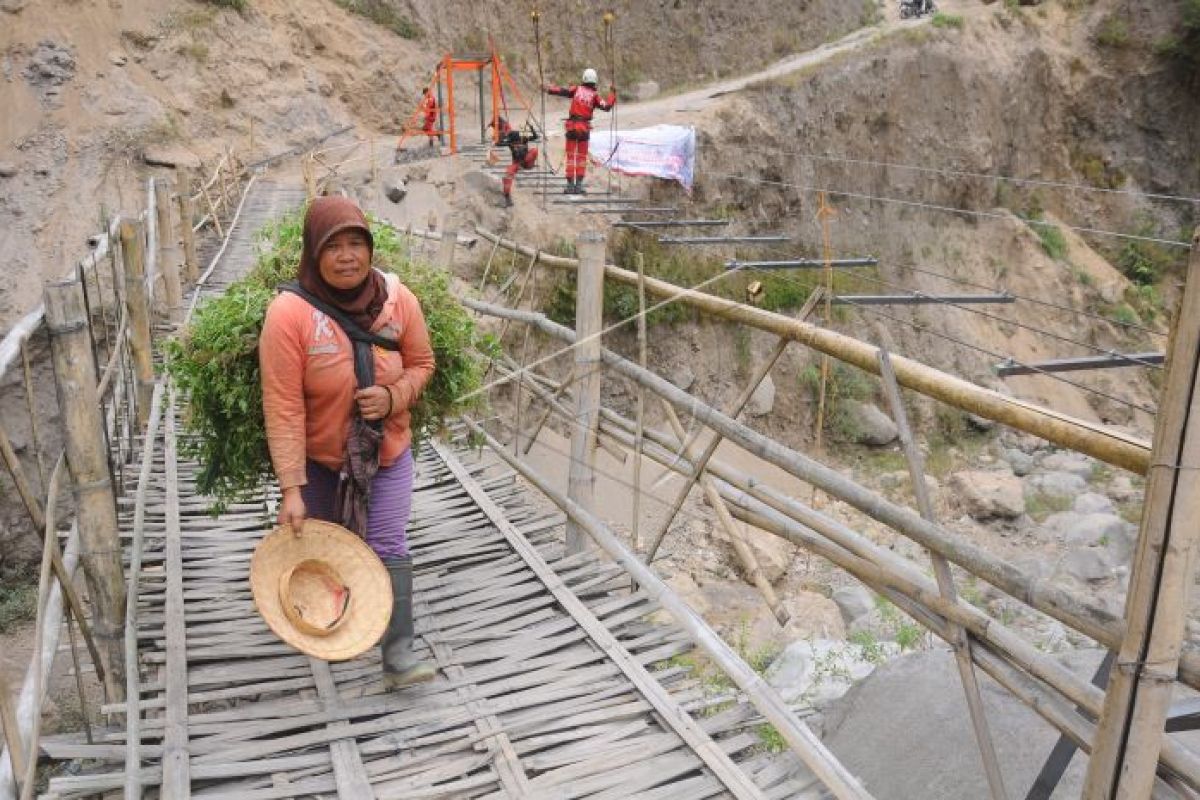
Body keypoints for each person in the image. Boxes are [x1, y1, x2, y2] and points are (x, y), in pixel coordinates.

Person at [259, 196, 437, 689]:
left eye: (356, 243)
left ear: (370, 247)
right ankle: (337, 635)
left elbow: (423, 364)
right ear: (313, 253)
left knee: (385, 544)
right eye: (333, 246)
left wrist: (393, 395)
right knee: (329, 550)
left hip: (386, 454)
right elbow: (284, 406)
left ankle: (398, 656)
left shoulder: (399, 302)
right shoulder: (289, 315)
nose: (346, 256)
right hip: (319, 463)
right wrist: (291, 489)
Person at [545, 68, 616, 194]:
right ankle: (578, 186)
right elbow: (607, 107)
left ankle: (570, 186)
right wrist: (612, 94)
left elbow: (562, 91)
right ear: (595, 81)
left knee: (571, 156)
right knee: (581, 157)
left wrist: (548, 88)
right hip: (584, 130)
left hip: (572, 127)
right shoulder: (595, 96)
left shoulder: (576, 89)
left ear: (583, 79)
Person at [493, 116, 539, 208]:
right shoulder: (510, 143)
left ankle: (529, 165)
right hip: (517, 164)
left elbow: (535, 136)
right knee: (508, 174)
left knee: (534, 150)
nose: (517, 143)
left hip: (527, 162)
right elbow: (498, 144)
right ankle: (507, 198)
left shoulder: (523, 139)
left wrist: (531, 127)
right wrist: (501, 134)